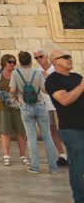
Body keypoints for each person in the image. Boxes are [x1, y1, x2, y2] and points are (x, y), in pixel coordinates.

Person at [46, 49, 84, 202]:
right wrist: (82, 86)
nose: (70, 59)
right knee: (78, 166)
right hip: (72, 129)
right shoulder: (53, 80)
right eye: (66, 57)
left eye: (70, 56)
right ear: (55, 61)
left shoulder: (77, 77)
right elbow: (65, 100)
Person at [15, 51, 55, 173]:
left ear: (19, 61)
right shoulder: (37, 73)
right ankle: (53, 167)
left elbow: (12, 89)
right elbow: (44, 90)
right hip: (40, 105)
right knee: (47, 136)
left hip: (26, 106)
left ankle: (35, 166)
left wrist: (17, 98)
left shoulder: (15, 73)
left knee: (31, 137)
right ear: (31, 61)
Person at [0, 53, 30, 166]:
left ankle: (23, 155)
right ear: (4, 63)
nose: (12, 64)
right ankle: (6, 155)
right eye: (10, 62)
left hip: (17, 104)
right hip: (1, 105)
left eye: (14, 62)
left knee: (20, 130)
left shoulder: (17, 73)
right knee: (4, 130)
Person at [34, 48, 70, 167]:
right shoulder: (37, 72)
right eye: (36, 58)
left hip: (59, 102)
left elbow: (64, 83)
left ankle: (71, 153)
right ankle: (62, 154)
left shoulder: (55, 69)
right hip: (46, 104)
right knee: (52, 129)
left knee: (65, 128)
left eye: (41, 57)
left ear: (46, 56)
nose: (39, 59)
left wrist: (50, 76)